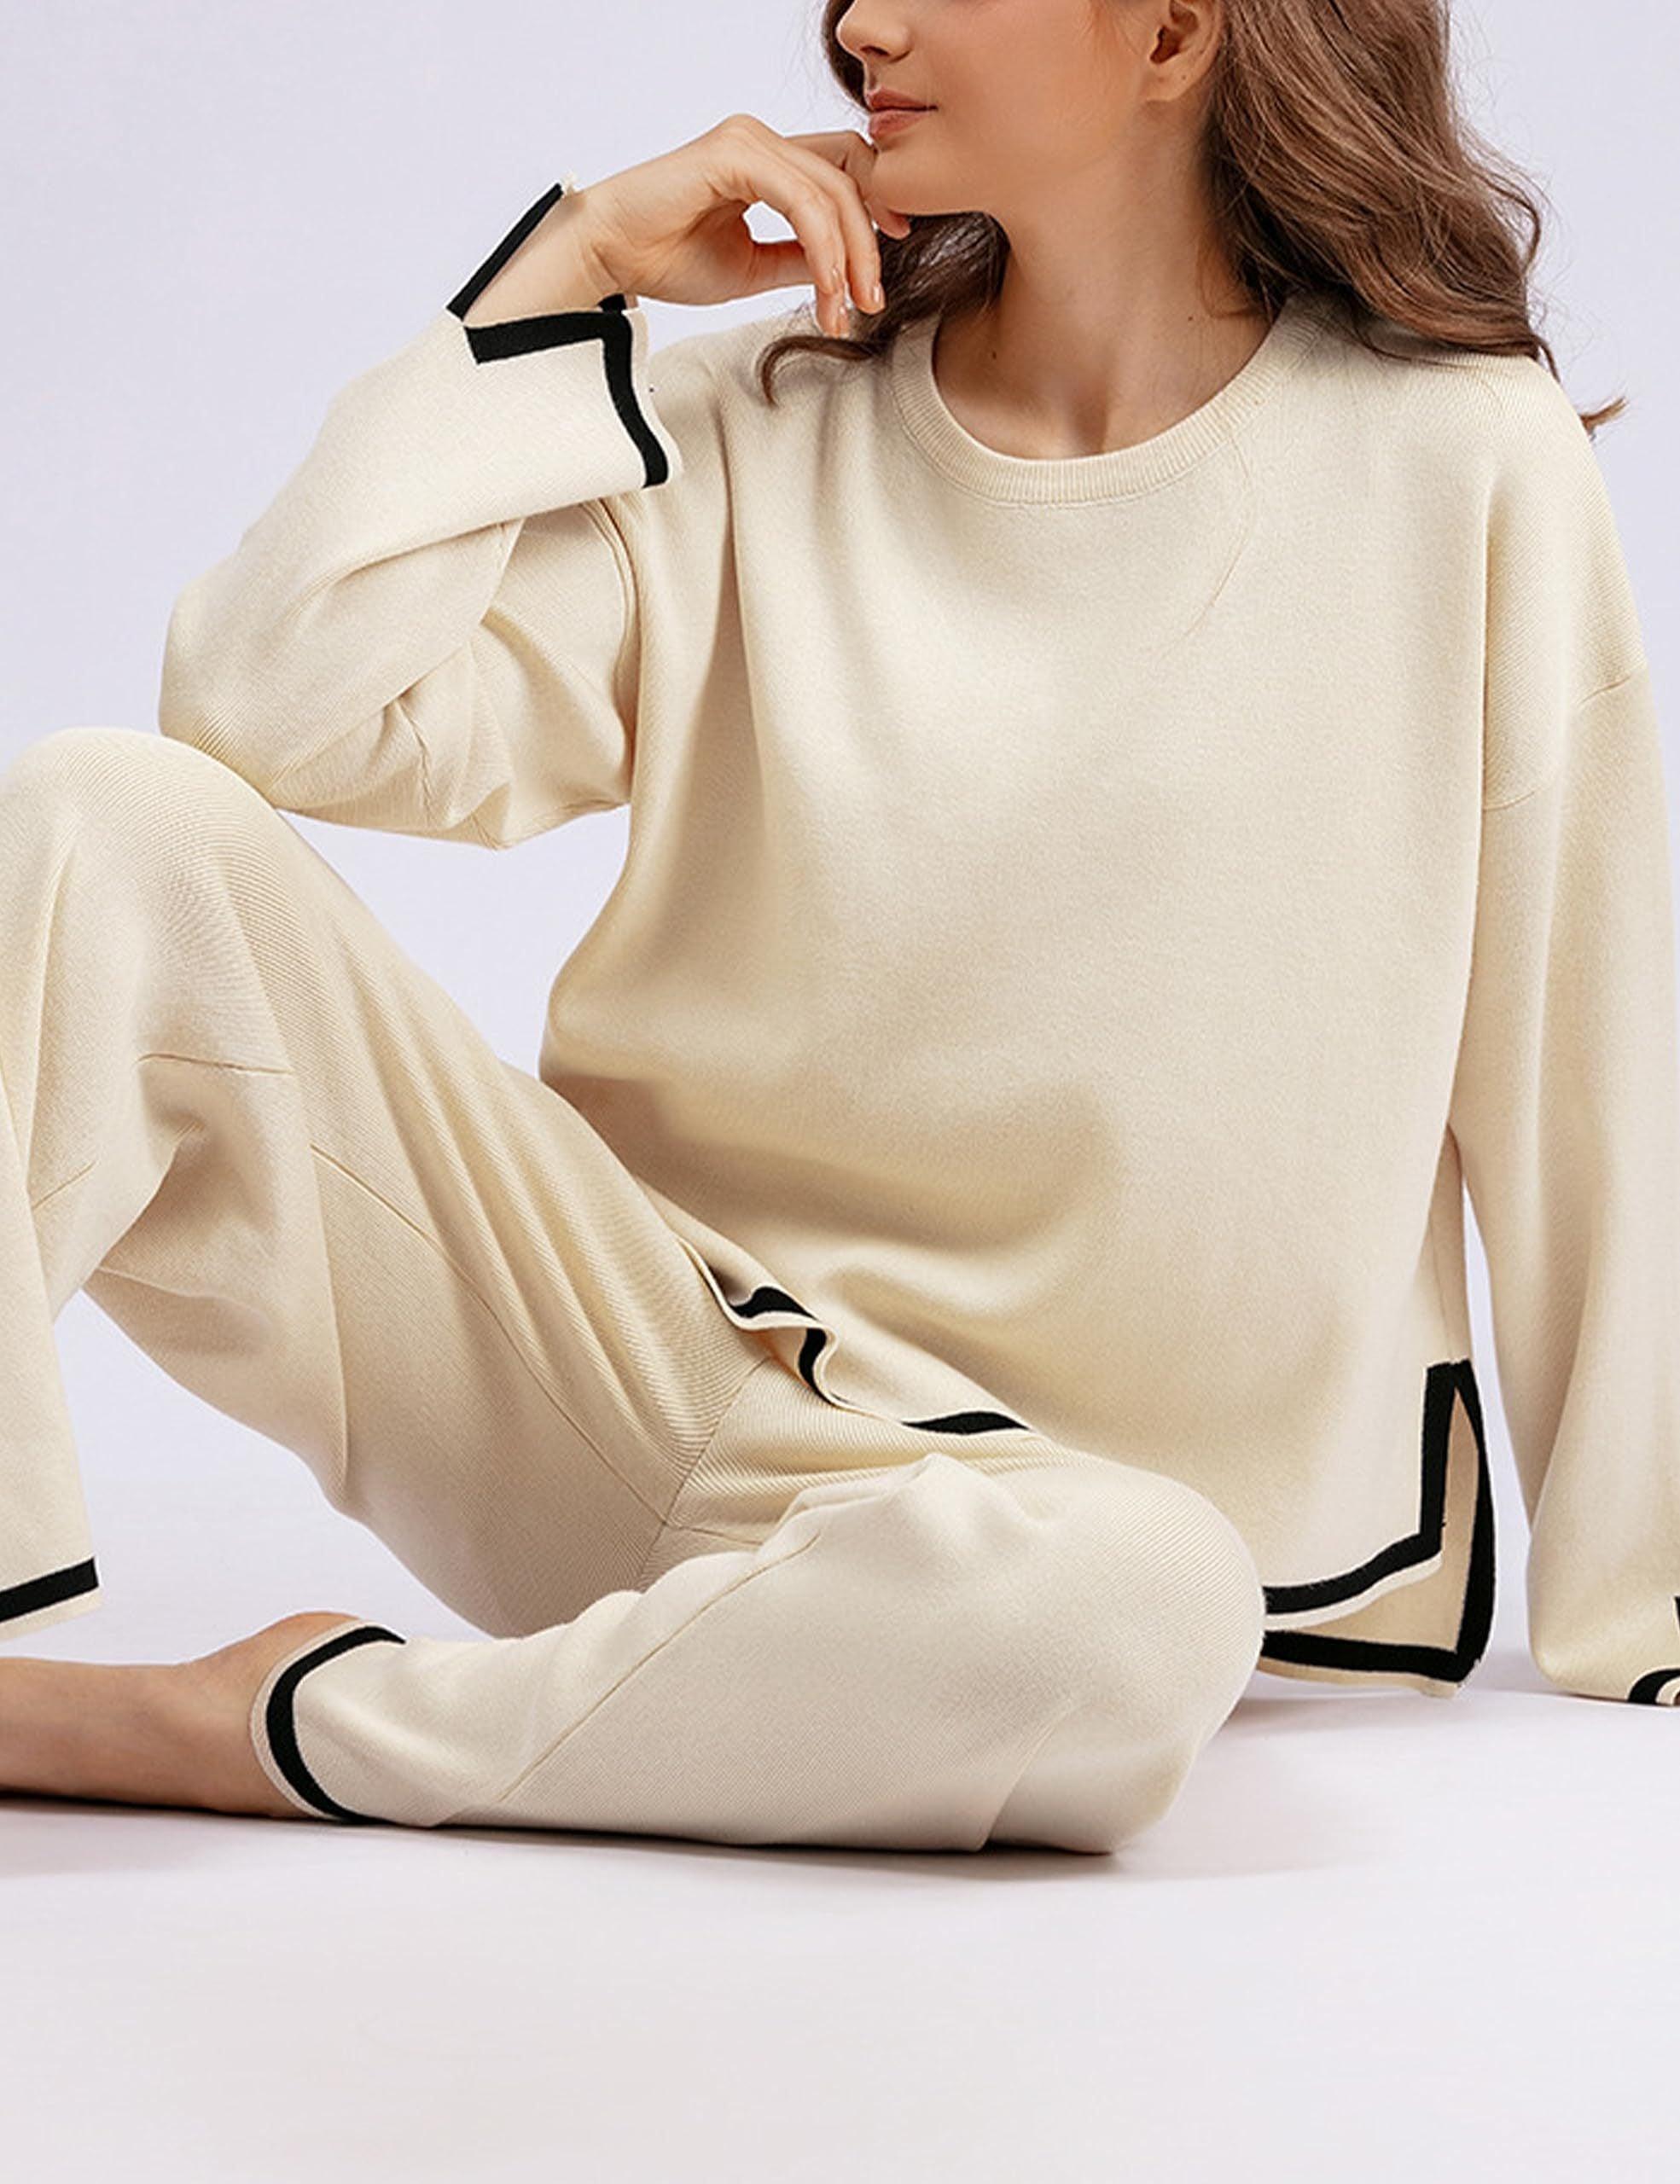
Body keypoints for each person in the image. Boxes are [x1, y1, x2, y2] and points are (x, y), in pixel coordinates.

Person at [2, 0, 1674, 1854]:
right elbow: (267, 710)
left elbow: (1584, 1054)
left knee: (1134, 1602)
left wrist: (1647, 1594)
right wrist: (565, 278)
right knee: (99, 818)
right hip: (627, 1373)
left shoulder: (1459, 461)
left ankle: (216, 1725)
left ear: (1175, 32)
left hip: (1062, 1537)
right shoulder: (754, 422)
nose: (859, 22)